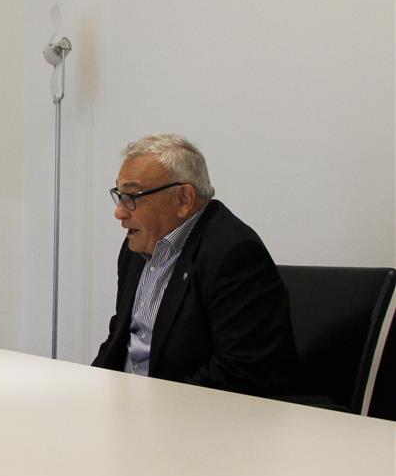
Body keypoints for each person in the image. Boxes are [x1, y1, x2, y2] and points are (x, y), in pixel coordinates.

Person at [92, 133, 299, 396]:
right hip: (132, 403)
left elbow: (242, 369)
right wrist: (90, 388)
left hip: (193, 410)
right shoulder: (137, 247)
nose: (119, 212)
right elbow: (121, 337)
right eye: (120, 195)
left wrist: (154, 405)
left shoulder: (233, 253)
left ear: (183, 198)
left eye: (132, 196)